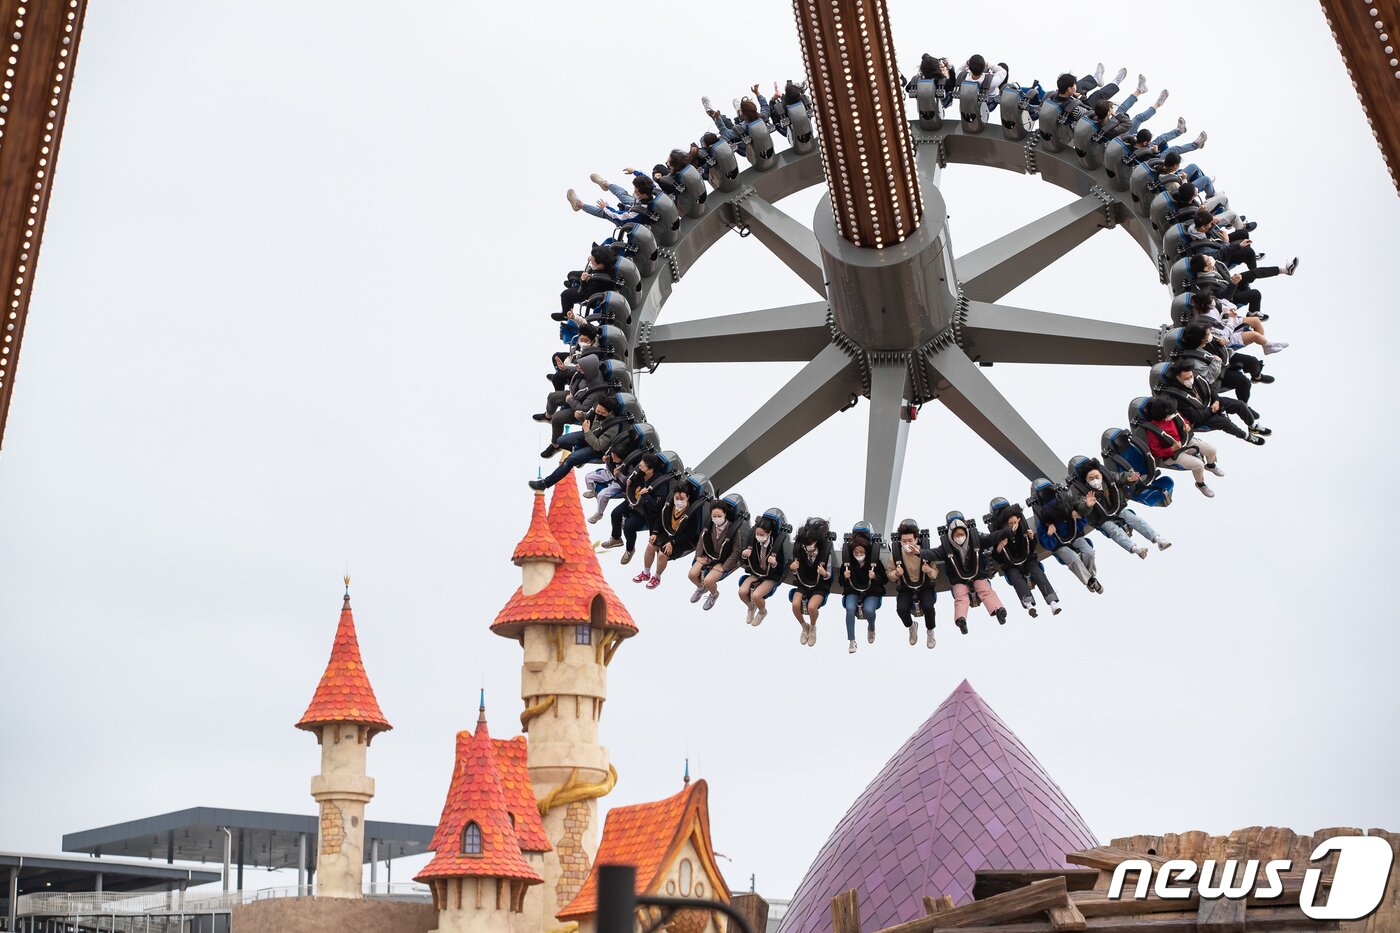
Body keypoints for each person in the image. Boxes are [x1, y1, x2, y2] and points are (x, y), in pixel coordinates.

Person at [1069, 460, 1172, 559]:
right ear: (1086, 480)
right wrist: (1088, 505)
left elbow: (1122, 476)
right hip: (1102, 518)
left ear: (1101, 475)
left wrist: (1130, 479)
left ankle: (1158, 539)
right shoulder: (1083, 493)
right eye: (1091, 479)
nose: (1095, 480)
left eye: (1097, 477)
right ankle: (1136, 549)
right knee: (1114, 530)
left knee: (1134, 519)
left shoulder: (1108, 478)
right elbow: (1080, 507)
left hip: (1118, 508)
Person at [927, 514, 1006, 634]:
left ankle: (998, 610)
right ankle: (961, 619)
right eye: (956, 535)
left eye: (961, 534)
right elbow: (932, 553)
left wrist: (1008, 532)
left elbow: (991, 538)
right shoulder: (945, 548)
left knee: (985, 589)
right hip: (958, 579)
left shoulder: (976, 540)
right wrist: (919, 553)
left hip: (977, 575)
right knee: (960, 596)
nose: (960, 537)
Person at [985, 499, 1060, 617]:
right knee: (1015, 577)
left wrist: (1031, 538)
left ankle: (1052, 601)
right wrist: (999, 548)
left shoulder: (1022, 529)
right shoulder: (999, 533)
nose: (1014, 525)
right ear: (1005, 524)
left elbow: (1032, 546)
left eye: (1016, 522)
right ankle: (1028, 603)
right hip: (1011, 565)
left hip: (1028, 559)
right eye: (1011, 523)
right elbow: (997, 557)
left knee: (1037, 573)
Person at [529, 396, 623, 490]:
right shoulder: (596, 409)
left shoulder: (613, 427)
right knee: (561, 441)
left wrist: (587, 431)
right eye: (598, 410)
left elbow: (598, 446)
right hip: (588, 435)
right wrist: (581, 415)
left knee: (569, 461)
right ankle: (579, 456)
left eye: (602, 413)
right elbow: (588, 416)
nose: (598, 413)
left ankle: (544, 484)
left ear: (609, 413)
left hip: (596, 448)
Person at [1140, 395, 1223, 497]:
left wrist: (1187, 424)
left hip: (1186, 441)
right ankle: (1200, 484)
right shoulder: (1153, 430)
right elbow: (1155, 452)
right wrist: (1172, 449)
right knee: (1198, 465)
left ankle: (1211, 465)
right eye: (1171, 414)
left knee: (1212, 450)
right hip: (1173, 454)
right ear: (1163, 415)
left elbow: (1183, 419)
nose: (1174, 414)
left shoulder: (1172, 412)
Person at [1030, 479, 1103, 593]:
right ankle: (1090, 581)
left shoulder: (1066, 501)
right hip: (1058, 544)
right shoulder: (1041, 515)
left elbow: (1081, 519)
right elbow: (1044, 541)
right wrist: (1049, 533)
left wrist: (1078, 517)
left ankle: (1092, 578)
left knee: (1089, 552)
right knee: (1073, 559)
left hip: (1075, 535)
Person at [600, 452, 670, 563]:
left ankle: (630, 549)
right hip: (632, 501)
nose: (640, 468)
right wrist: (626, 480)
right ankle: (616, 538)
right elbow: (627, 487)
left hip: (643, 511)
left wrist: (646, 496)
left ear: (650, 470)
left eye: (642, 466)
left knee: (628, 527)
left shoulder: (660, 484)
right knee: (615, 513)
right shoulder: (639, 473)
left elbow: (656, 507)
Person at [637, 484, 700, 589]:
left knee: (662, 553)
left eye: (682, 498)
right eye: (677, 498)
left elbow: (690, 534)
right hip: (666, 533)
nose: (679, 501)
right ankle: (646, 572)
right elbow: (661, 518)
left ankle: (657, 577)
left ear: (687, 498)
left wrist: (673, 543)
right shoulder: (670, 505)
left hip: (681, 540)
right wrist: (655, 533)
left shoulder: (692, 512)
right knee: (650, 546)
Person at [888, 519, 938, 648]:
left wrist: (929, 571)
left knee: (928, 607)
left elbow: (935, 572)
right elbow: (890, 574)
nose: (907, 543)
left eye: (910, 540)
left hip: (924, 586)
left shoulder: (925, 552)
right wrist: (897, 573)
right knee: (901, 609)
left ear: (916, 540)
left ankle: (930, 630)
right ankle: (911, 627)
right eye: (904, 541)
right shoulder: (896, 555)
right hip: (905, 588)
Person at [688, 497, 744, 611]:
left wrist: (724, 567)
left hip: (723, 560)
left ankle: (714, 595)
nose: (716, 519)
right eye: (714, 516)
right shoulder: (710, 525)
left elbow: (736, 551)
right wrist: (698, 556)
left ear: (725, 514)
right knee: (692, 575)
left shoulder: (733, 529)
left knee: (709, 581)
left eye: (719, 516)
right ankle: (701, 588)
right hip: (709, 556)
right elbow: (701, 540)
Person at [737, 509, 789, 626]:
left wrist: (774, 563)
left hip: (771, 576)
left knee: (756, 596)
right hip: (756, 572)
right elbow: (746, 561)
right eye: (757, 534)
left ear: (769, 533)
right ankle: (751, 608)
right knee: (742, 592)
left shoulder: (776, 545)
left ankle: (762, 612)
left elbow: (781, 569)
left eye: (762, 535)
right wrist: (744, 555)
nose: (758, 537)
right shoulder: (754, 542)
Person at [840, 526, 886, 654]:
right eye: (856, 553)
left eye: (861, 553)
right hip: (853, 590)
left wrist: (875, 576)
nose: (859, 556)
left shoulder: (874, 561)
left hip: (872, 591)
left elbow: (885, 580)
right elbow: (840, 582)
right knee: (850, 609)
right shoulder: (848, 563)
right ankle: (851, 640)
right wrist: (845, 576)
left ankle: (871, 627)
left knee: (869, 610)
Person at [789, 517, 833, 647]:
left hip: (820, 585)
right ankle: (804, 626)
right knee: (795, 604)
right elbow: (796, 570)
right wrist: (793, 569)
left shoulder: (825, 553)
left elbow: (829, 575)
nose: (808, 546)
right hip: (804, 583)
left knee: (812, 607)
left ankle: (813, 627)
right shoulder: (800, 551)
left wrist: (824, 573)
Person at [567, 171, 658, 226]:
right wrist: (634, 171)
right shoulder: (651, 190)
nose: (634, 191)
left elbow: (619, 216)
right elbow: (646, 178)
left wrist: (606, 208)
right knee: (623, 195)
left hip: (630, 221)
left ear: (644, 195)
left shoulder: (635, 214)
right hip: (638, 205)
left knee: (605, 213)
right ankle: (606, 184)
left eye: (636, 191)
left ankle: (579, 205)